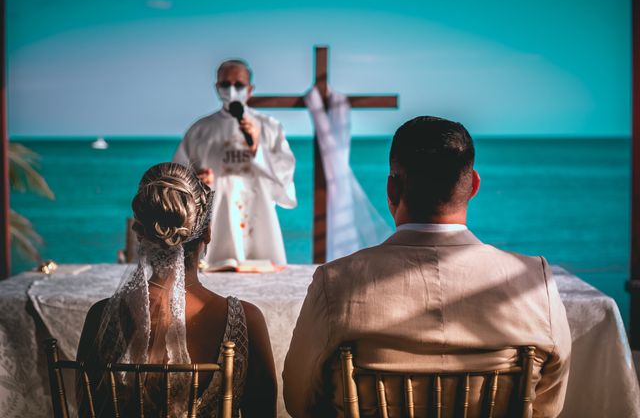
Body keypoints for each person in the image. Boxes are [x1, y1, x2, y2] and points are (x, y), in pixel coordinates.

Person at [283, 116, 571, 417]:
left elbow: (299, 400)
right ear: (473, 185)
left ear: (392, 190)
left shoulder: (336, 282)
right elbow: (547, 405)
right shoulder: (533, 278)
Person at [76, 162, 277, 417]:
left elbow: (88, 410)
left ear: (139, 233)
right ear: (207, 233)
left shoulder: (100, 318)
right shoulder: (247, 320)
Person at [173, 59, 296, 268]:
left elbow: (285, 173)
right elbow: (178, 179)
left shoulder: (269, 127)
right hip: (217, 219)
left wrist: (258, 148)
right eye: (225, 84)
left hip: (259, 215)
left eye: (238, 85)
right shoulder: (200, 130)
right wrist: (196, 181)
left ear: (249, 90)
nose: (231, 90)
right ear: (217, 88)